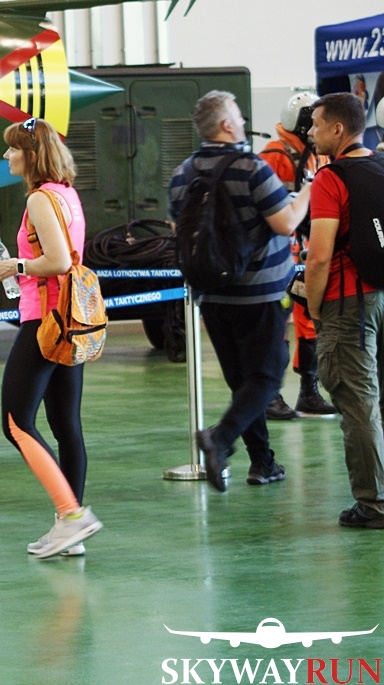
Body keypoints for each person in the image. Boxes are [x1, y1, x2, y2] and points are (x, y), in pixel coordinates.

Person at [168, 90, 311, 492]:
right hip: (260, 293)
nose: (244, 123)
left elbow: (179, 229)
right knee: (267, 377)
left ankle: (262, 462)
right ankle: (220, 439)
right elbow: (286, 223)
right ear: (227, 125)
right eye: (239, 117)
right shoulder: (252, 168)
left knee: (242, 382)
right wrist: (309, 192)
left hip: (212, 293)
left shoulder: (183, 173)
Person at [0, 117, 103, 559]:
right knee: (66, 425)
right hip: (69, 320)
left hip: (45, 322)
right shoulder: (67, 194)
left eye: (13, 148)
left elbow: (57, 261)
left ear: (32, 155)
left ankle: (72, 515)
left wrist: (16, 266)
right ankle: (68, 528)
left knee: (16, 423)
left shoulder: (39, 199)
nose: (7, 155)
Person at [305, 92, 384, 528]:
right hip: (382, 294)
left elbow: (319, 256)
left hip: (348, 302)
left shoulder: (330, 179)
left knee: (358, 403)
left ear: (338, 129)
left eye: (317, 124)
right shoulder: (381, 166)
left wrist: (315, 308)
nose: (311, 132)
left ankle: (374, 504)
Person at [258, 92, 337, 421]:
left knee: (309, 322)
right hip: (278, 252)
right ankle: (269, 395)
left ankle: (309, 391)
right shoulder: (274, 155)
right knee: (276, 323)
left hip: (307, 249)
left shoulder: (319, 155)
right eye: (314, 121)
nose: (317, 128)